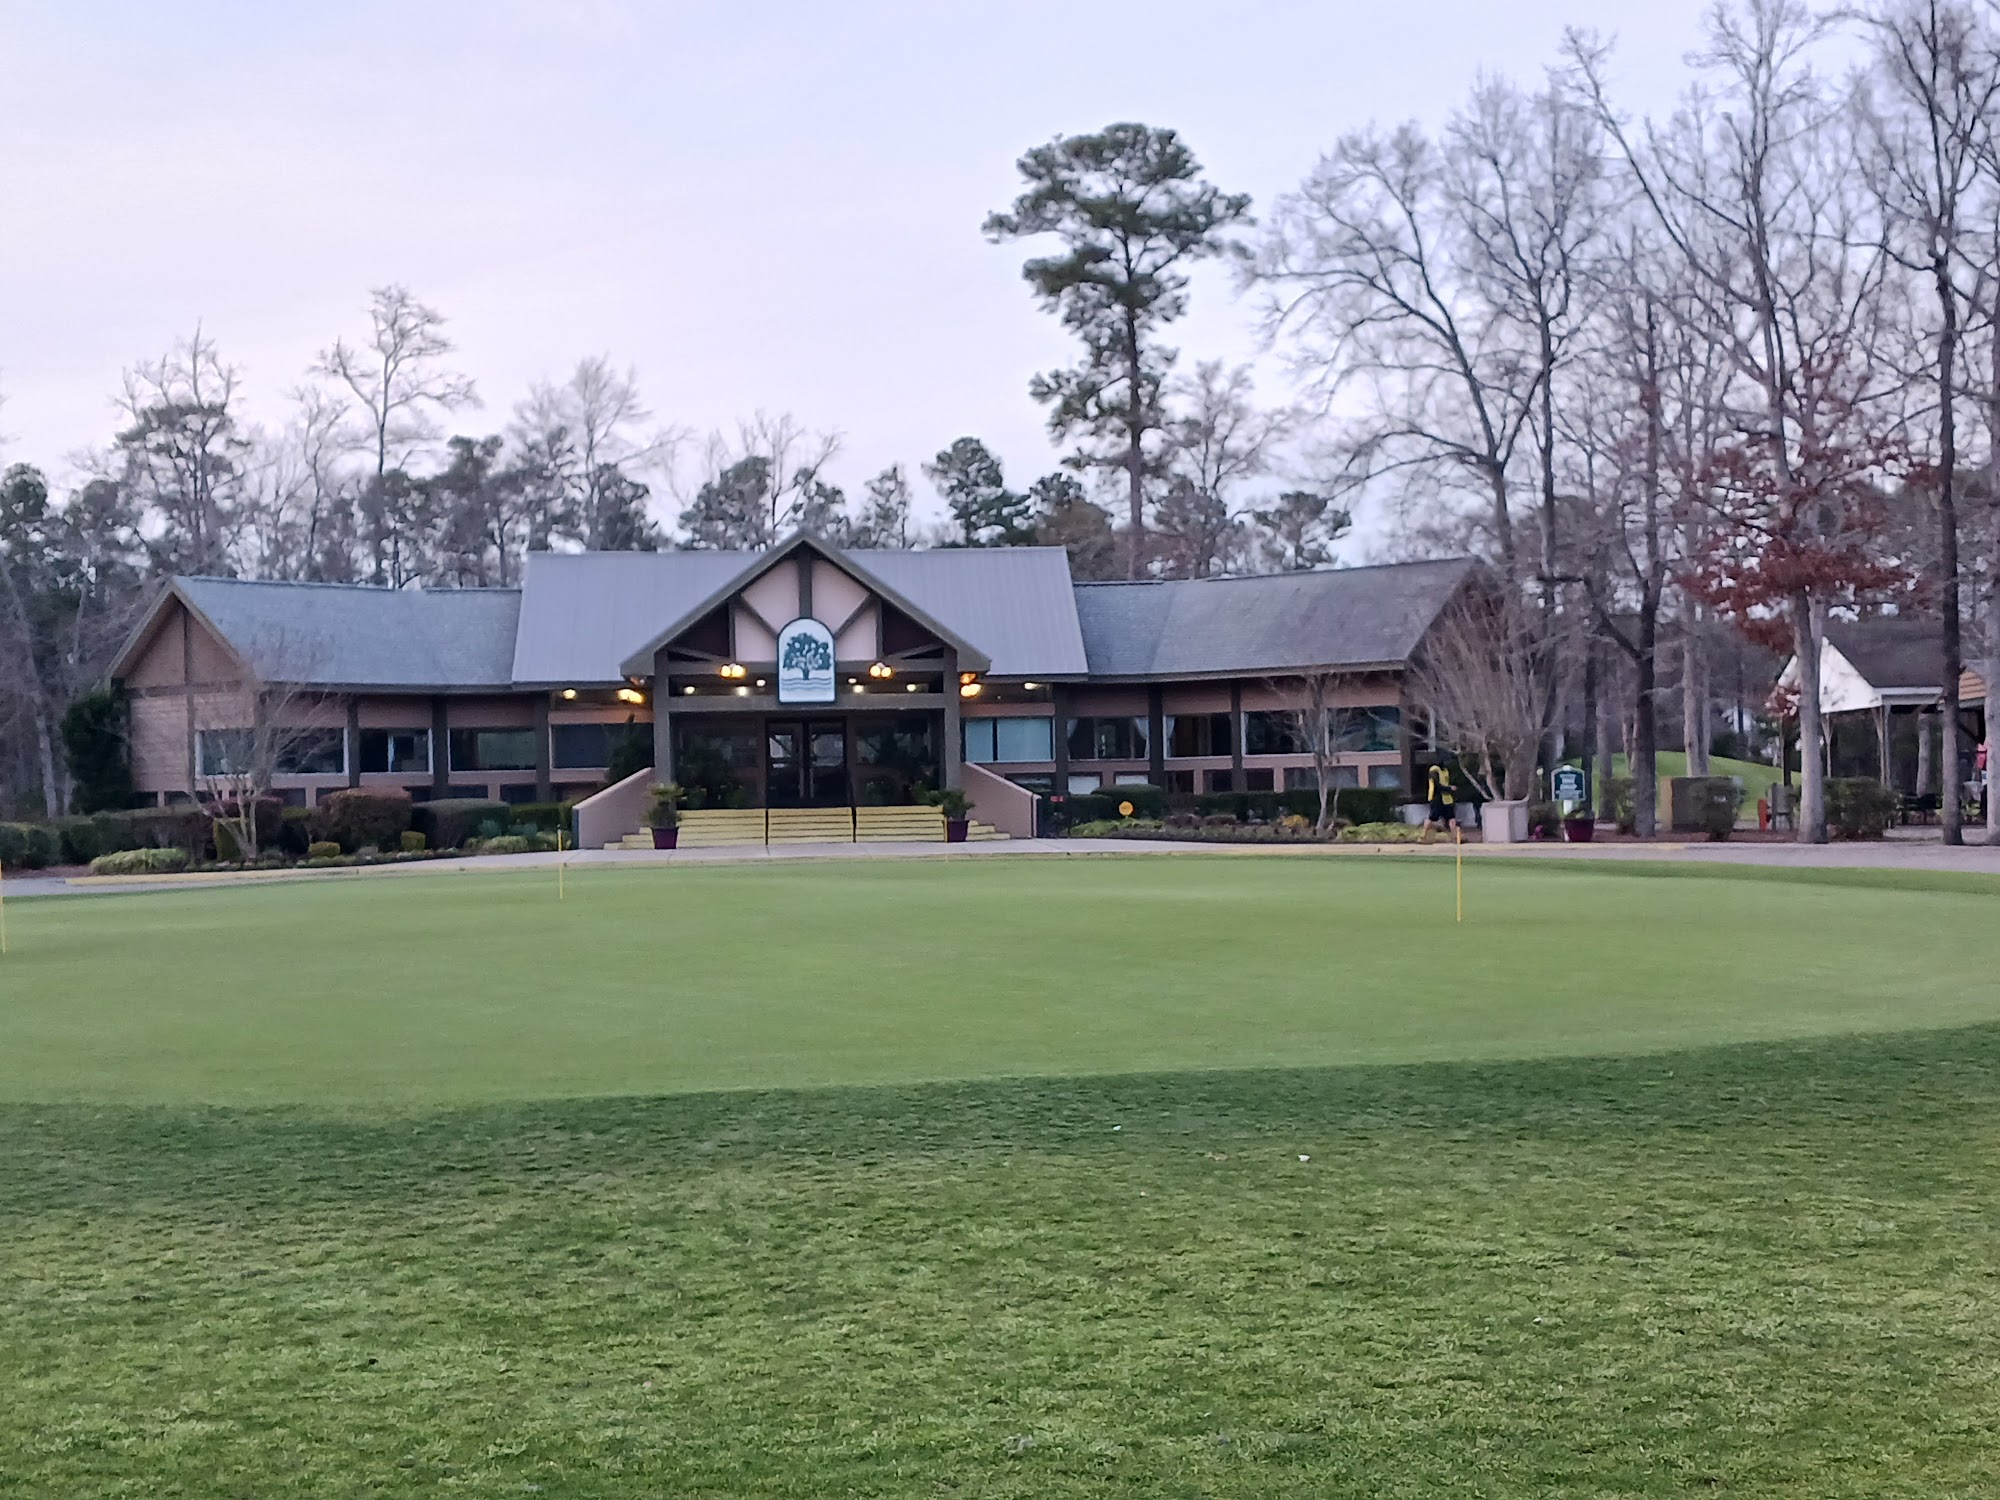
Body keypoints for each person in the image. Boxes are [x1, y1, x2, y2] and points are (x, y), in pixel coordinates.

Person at [1423, 762, 1458, 842]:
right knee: (1432, 818)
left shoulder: (1445, 770)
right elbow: (1437, 786)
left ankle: (1454, 836)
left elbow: (1447, 782)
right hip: (1436, 798)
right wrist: (1449, 789)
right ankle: (1423, 835)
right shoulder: (1434, 770)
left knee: (1451, 817)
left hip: (1447, 798)